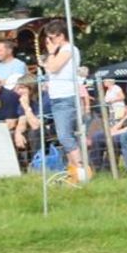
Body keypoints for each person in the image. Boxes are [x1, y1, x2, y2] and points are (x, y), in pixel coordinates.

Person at [39, 20, 90, 184]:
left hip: (66, 97)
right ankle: (73, 172)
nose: (49, 42)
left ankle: (82, 169)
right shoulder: (61, 50)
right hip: (56, 97)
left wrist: (51, 53)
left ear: (61, 36)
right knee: (66, 136)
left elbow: (53, 67)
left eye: (51, 38)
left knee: (65, 137)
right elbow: (47, 67)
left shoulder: (68, 49)